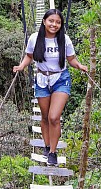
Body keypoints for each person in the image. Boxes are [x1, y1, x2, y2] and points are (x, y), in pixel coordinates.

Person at [13, 9, 88, 166]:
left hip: (61, 78)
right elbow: (29, 56)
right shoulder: (35, 38)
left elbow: (71, 59)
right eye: (51, 21)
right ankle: (47, 146)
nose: (54, 24)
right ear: (44, 21)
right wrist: (21, 66)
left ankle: (53, 152)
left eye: (58, 22)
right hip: (41, 79)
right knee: (45, 117)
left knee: (54, 117)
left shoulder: (64, 40)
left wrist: (79, 66)